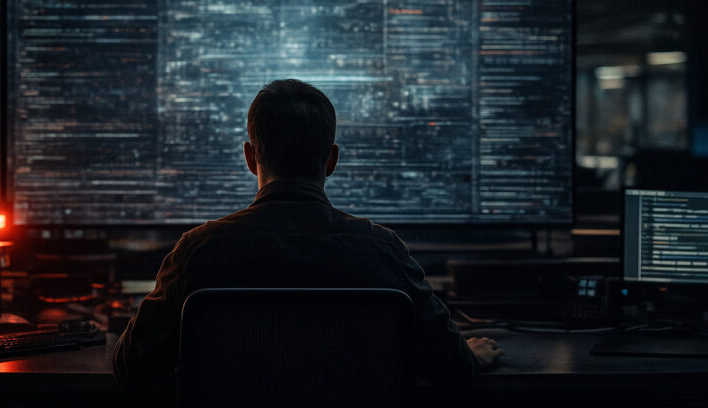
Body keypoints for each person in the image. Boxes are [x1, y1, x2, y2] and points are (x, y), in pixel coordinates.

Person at [113, 78, 503, 401]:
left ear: (250, 157)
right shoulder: (382, 251)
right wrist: (468, 353)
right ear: (332, 160)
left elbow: (130, 368)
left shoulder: (198, 251)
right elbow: (455, 370)